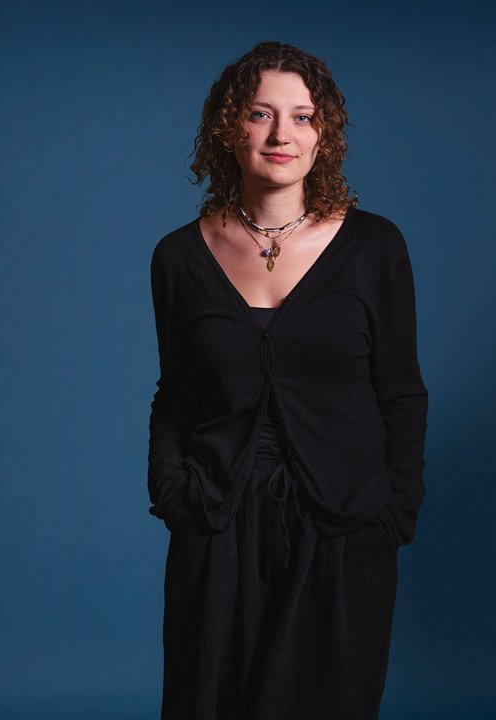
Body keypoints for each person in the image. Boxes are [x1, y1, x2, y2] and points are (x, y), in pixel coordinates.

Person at [147, 41, 428, 720]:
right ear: (227, 126)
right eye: (261, 113)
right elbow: (175, 396)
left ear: (322, 133)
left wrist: (393, 515)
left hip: (342, 529)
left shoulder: (375, 248)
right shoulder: (179, 258)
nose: (282, 135)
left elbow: (401, 391)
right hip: (217, 527)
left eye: (302, 117)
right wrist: (174, 497)